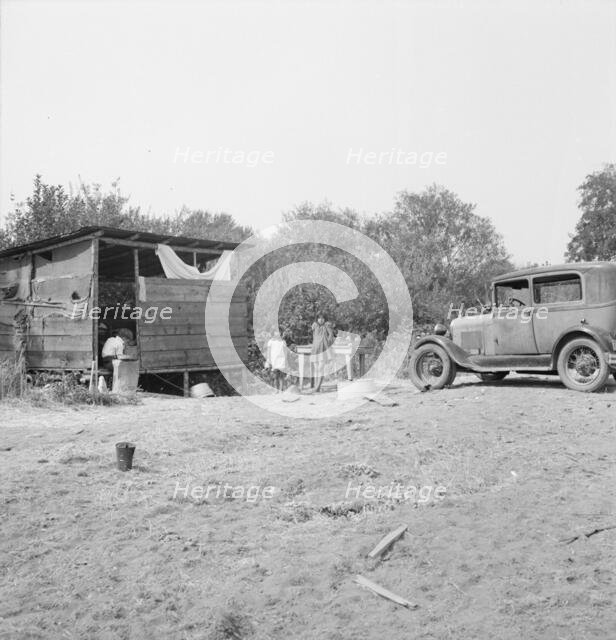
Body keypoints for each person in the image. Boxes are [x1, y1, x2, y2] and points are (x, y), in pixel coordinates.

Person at [311, 312, 335, 392]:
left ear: (325, 319)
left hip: (323, 348)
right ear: (317, 319)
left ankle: (317, 387)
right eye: (319, 318)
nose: (321, 320)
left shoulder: (326, 326)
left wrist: (328, 342)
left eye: (322, 318)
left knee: (320, 368)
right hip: (315, 348)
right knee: (316, 369)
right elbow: (314, 336)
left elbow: (331, 335)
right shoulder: (315, 325)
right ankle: (316, 387)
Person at [265, 328, 287, 393]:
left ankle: (281, 390)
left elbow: (285, 351)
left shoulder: (283, 342)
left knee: (281, 377)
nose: (278, 333)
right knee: (275, 377)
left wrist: (285, 360)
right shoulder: (270, 342)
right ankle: (275, 390)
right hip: (274, 361)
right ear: (273, 333)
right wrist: (269, 360)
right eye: (276, 332)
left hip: (281, 361)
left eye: (279, 332)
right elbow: (268, 352)